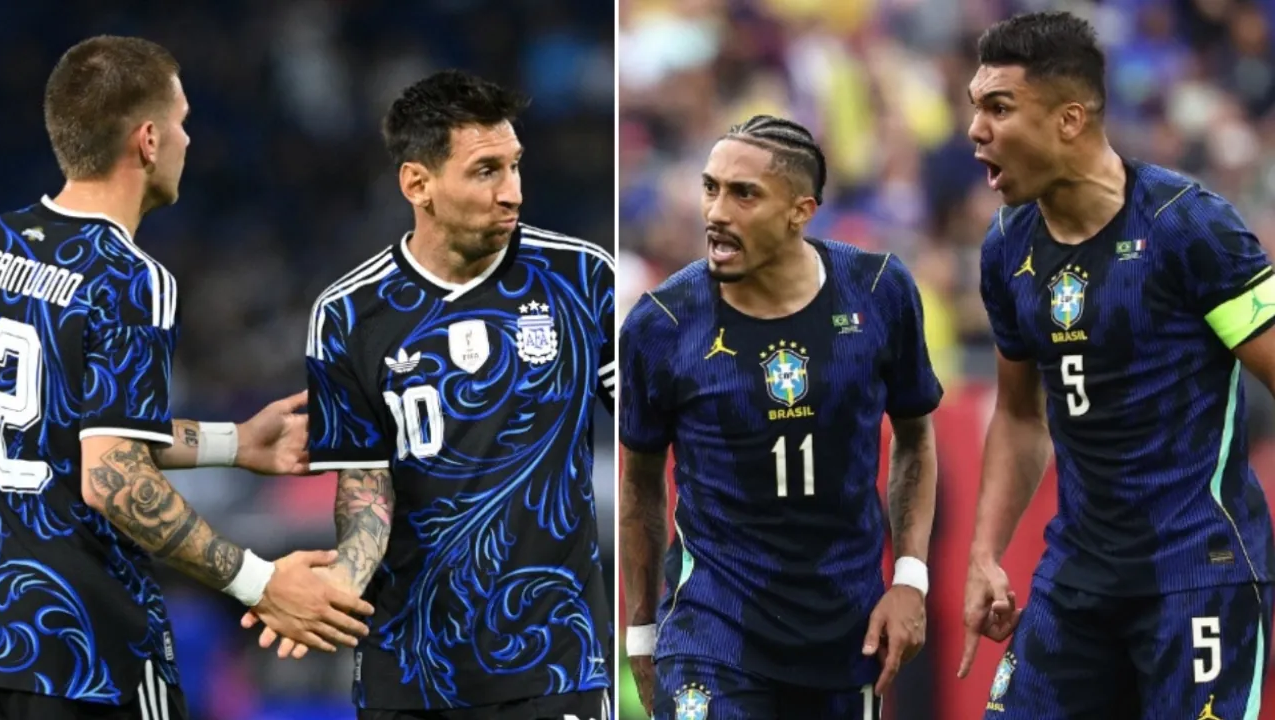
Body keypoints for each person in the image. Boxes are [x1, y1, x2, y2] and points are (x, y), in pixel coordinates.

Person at [0, 35, 376, 720]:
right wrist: (261, 582)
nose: (189, 141)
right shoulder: (130, 277)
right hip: (84, 649)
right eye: (183, 121)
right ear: (147, 140)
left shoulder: (1, 247)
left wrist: (236, 444)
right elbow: (111, 476)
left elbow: (61, 430)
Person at [242, 69, 615, 720]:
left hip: (554, 661)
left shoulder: (582, 279)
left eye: (516, 166)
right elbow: (365, 490)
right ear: (418, 184)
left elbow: (649, 438)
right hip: (409, 671)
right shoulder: (348, 314)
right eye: (486, 171)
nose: (513, 193)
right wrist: (341, 581)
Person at [960, 11, 1275, 719]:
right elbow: (1018, 412)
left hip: (1198, 572)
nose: (976, 129)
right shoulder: (1006, 248)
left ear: (1070, 119)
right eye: (975, 107)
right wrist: (984, 553)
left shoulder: (1189, 227)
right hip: (1077, 577)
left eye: (999, 108)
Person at [618, 114, 942, 719]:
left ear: (800, 210)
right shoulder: (661, 324)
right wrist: (641, 629)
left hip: (847, 631)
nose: (717, 211)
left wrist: (911, 577)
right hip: (713, 628)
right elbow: (637, 482)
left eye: (744, 194)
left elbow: (916, 440)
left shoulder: (879, 290)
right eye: (710, 187)